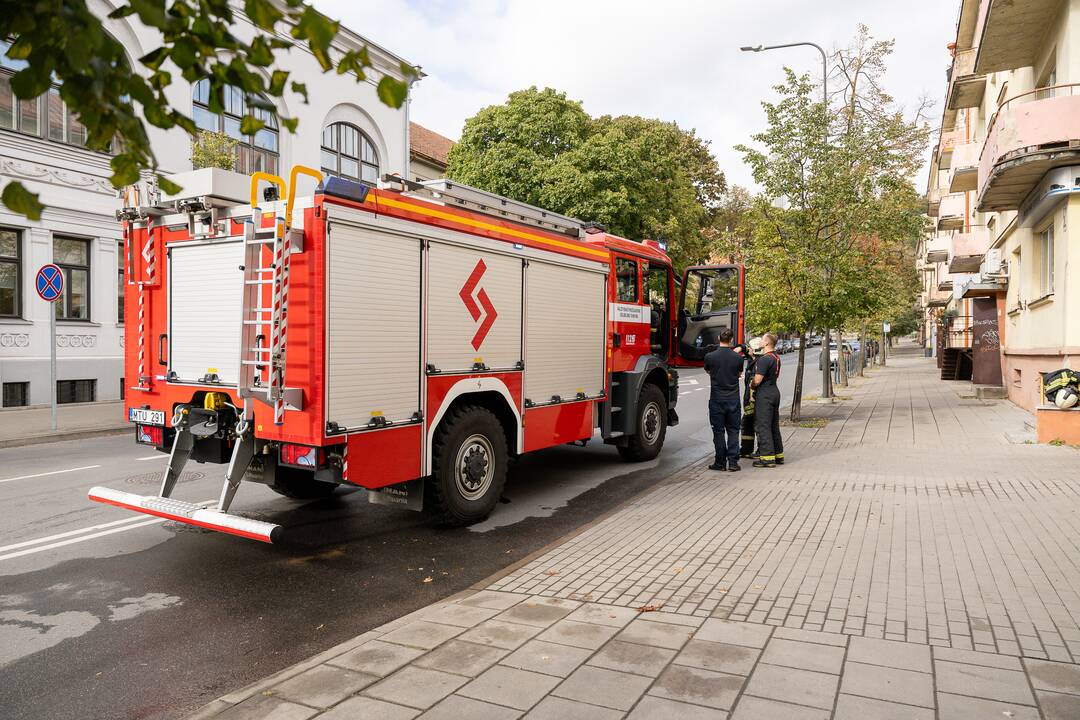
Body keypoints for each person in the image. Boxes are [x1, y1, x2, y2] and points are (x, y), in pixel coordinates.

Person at [703, 328, 745, 472]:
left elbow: (708, 370)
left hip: (716, 400)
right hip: (733, 399)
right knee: (733, 431)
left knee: (718, 431)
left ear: (718, 339)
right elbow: (739, 373)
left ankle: (720, 462)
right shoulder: (738, 358)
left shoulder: (710, 356)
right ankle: (733, 462)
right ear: (732, 340)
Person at [751, 333, 784, 468]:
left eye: (762, 339)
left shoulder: (764, 359)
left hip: (765, 394)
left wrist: (752, 384)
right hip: (774, 392)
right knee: (773, 426)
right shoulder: (776, 357)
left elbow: (758, 380)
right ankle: (778, 455)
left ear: (766, 343)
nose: (760, 341)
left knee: (763, 425)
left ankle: (767, 458)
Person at [740, 337, 763, 459]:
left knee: (757, 425)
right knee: (747, 424)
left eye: (750, 347)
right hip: (749, 400)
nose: (748, 349)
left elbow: (753, 385)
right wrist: (742, 347)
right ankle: (746, 450)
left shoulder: (758, 364)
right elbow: (743, 349)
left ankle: (761, 450)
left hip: (754, 400)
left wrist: (750, 402)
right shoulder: (752, 359)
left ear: (754, 350)